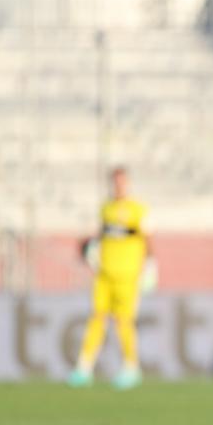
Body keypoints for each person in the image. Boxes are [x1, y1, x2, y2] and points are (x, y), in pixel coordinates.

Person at [68, 167, 154, 390]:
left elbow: (148, 239)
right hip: (104, 274)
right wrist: (92, 250)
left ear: (128, 184)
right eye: (115, 182)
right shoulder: (105, 208)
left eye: (122, 182)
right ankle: (84, 367)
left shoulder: (137, 210)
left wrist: (151, 266)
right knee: (97, 318)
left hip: (127, 274)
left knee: (123, 321)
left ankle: (131, 367)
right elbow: (102, 236)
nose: (118, 186)